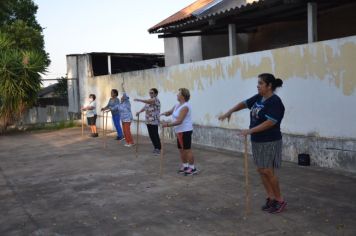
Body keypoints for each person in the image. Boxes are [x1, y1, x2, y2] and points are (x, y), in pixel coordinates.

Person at [218, 73, 286, 214]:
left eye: (261, 83)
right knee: (261, 170)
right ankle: (270, 198)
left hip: (270, 140)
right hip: (258, 140)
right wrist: (229, 111)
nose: (258, 85)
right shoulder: (259, 97)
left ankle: (280, 200)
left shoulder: (275, 102)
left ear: (269, 86)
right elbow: (244, 103)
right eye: (258, 83)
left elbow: (271, 122)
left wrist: (250, 130)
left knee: (267, 170)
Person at [161, 88, 197, 175]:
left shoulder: (185, 107)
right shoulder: (177, 105)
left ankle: (192, 168)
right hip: (179, 131)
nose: (177, 95)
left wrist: (167, 125)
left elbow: (180, 121)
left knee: (187, 150)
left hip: (185, 131)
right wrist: (164, 113)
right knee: (181, 150)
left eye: (178, 94)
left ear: (183, 96)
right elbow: (170, 112)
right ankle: (185, 166)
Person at [134, 88, 161, 155]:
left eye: (152, 93)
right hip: (148, 120)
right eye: (150, 93)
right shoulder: (149, 100)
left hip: (154, 121)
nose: (150, 94)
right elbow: (145, 107)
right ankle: (155, 147)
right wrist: (139, 112)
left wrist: (139, 100)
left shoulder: (156, 100)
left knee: (155, 134)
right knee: (151, 135)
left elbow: (148, 102)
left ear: (156, 94)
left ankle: (158, 148)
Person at [110, 83, 134, 147]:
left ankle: (130, 142)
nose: (122, 98)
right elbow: (114, 108)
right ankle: (128, 141)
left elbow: (124, 94)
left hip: (128, 119)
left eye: (123, 97)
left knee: (127, 131)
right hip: (123, 119)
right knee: (125, 131)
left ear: (125, 98)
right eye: (122, 97)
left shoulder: (127, 103)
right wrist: (107, 109)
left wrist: (122, 87)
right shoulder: (120, 104)